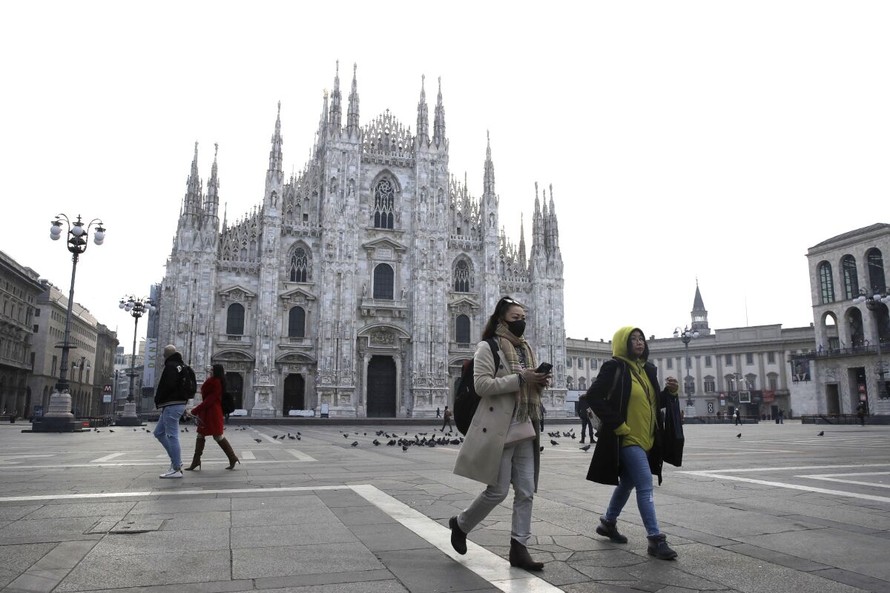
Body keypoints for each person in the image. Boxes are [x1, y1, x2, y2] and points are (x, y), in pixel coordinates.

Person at [450, 296, 551, 571]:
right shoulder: (488, 347)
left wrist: (537, 382)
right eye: (516, 318)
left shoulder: (525, 349)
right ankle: (460, 524)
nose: (522, 323)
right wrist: (521, 379)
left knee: (527, 491)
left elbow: (526, 385)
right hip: (500, 427)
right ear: (501, 319)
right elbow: (482, 385)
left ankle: (519, 548)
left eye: (523, 318)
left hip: (525, 425)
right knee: (497, 491)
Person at [584, 327, 680, 560]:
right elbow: (593, 396)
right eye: (633, 339)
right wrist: (618, 425)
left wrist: (670, 393)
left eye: (641, 339)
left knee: (628, 482)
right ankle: (655, 539)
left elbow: (653, 402)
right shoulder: (614, 367)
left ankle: (608, 522)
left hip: (648, 438)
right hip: (628, 437)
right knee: (645, 484)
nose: (639, 343)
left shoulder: (647, 370)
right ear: (622, 344)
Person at [184, 364, 240, 470]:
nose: (210, 371)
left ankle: (232, 457)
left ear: (216, 371)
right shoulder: (213, 381)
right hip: (207, 412)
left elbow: (210, 400)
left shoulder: (216, 382)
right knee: (201, 435)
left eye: (212, 370)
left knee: (217, 436)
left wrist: (195, 410)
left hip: (213, 413)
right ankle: (196, 461)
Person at [153, 345, 190, 479]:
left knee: (172, 436)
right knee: (158, 432)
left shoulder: (171, 367)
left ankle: (176, 468)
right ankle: (176, 461)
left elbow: (167, 386)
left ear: (166, 355)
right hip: (177, 404)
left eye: (164, 354)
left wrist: (158, 399)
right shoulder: (182, 366)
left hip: (172, 404)